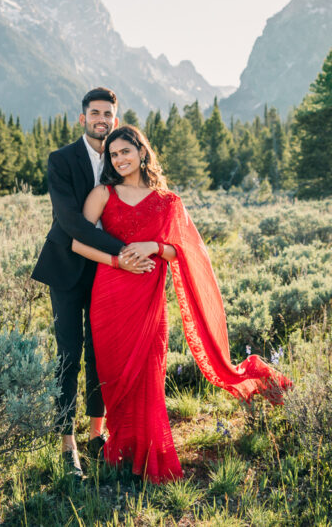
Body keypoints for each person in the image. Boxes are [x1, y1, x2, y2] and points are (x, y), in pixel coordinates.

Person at [71, 125, 291, 483]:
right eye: (113, 155)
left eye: (126, 151)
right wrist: (117, 261)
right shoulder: (102, 194)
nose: (120, 159)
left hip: (148, 299)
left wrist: (153, 247)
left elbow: (185, 251)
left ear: (142, 152)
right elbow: (79, 244)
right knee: (114, 374)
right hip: (109, 294)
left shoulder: (167, 201)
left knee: (148, 373)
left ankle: (148, 453)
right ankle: (121, 450)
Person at [31, 88, 154, 479]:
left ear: (116, 120)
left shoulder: (120, 157)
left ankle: (96, 435)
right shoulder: (61, 160)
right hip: (69, 269)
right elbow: (71, 223)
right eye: (95, 113)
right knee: (69, 354)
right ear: (83, 117)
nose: (102, 119)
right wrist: (124, 251)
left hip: (109, 275)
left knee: (101, 355)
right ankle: (67, 446)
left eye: (109, 114)